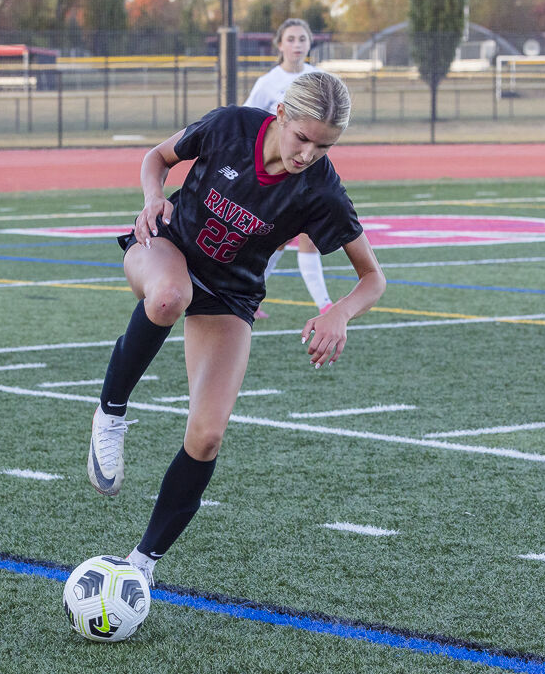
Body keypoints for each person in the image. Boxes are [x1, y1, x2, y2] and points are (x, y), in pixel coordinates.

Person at [88, 72, 386, 586]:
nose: (309, 154)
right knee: (169, 296)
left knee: (207, 436)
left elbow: (373, 279)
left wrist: (339, 312)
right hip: (165, 249)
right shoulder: (230, 126)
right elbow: (156, 158)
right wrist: (153, 197)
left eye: (324, 146)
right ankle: (111, 413)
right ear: (282, 114)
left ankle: (142, 565)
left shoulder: (321, 189)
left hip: (230, 295)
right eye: (303, 138)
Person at [243, 18, 333, 320]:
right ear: (279, 44)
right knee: (277, 239)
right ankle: (250, 295)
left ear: (310, 43)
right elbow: (248, 121)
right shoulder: (267, 83)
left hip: (311, 170)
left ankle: (325, 306)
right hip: (279, 175)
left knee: (309, 234)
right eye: (291, 39)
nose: (297, 45)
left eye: (302, 39)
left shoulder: (320, 79)